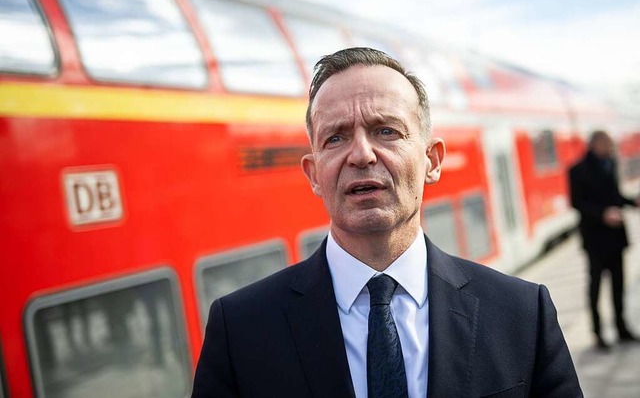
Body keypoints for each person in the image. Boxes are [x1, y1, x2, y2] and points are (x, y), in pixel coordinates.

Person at [192, 48, 582, 397]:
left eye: (386, 131)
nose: (361, 155)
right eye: (335, 139)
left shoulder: (522, 313)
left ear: (432, 160)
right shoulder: (240, 330)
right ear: (314, 175)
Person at [569, 130, 639, 349]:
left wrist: (632, 202)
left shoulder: (610, 164)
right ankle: (597, 332)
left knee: (619, 285)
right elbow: (577, 203)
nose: (610, 148)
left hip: (616, 237)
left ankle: (621, 327)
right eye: (607, 144)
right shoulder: (577, 170)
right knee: (596, 286)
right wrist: (603, 214)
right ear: (595, 144)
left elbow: (615, 196)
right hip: (595, 239)